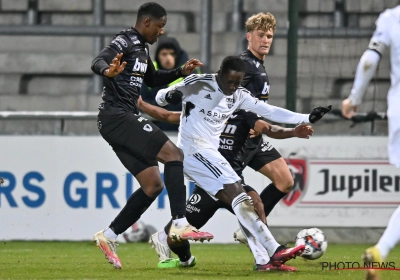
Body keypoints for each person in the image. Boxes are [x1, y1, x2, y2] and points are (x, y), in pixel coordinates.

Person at [154, 56, 331, 270]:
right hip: (192, 151)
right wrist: (169, 94)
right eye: (230, 81)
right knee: (241, 196)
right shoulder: (199, 84)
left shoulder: (238, 96)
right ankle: (273, 251)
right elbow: (160, 98)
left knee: (243, 199)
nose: (233, 87)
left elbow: (270, 111)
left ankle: (266, 258)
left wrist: (306, 118)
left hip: (210, 154)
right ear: (220, 74)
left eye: (238, 82)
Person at [90, 2, 212, 269]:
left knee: (152, 185)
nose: (161, 32)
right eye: (160, 26)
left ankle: (108, 235)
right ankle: (179, 223)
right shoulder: (125, 40)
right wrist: (107, 71)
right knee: (173, 154)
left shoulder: (143, 49)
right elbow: (97, 60)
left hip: (114, 121)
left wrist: (180, 72)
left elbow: (154, 79)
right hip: (117, 116)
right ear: (147, 22)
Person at [341, 5, 400, 280]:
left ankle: (380, 250)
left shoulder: (391, 18)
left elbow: (369, 60)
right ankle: (381, 249)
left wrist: (354, 98)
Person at [140, 37, 196, 131]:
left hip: (183, 131)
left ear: (177, 55)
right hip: (156, 130)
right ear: (158, 56)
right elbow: (141, 103)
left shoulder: (191, 73)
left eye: (172, 54)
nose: (168, 58)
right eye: (164, 54)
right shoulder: (149, 72)